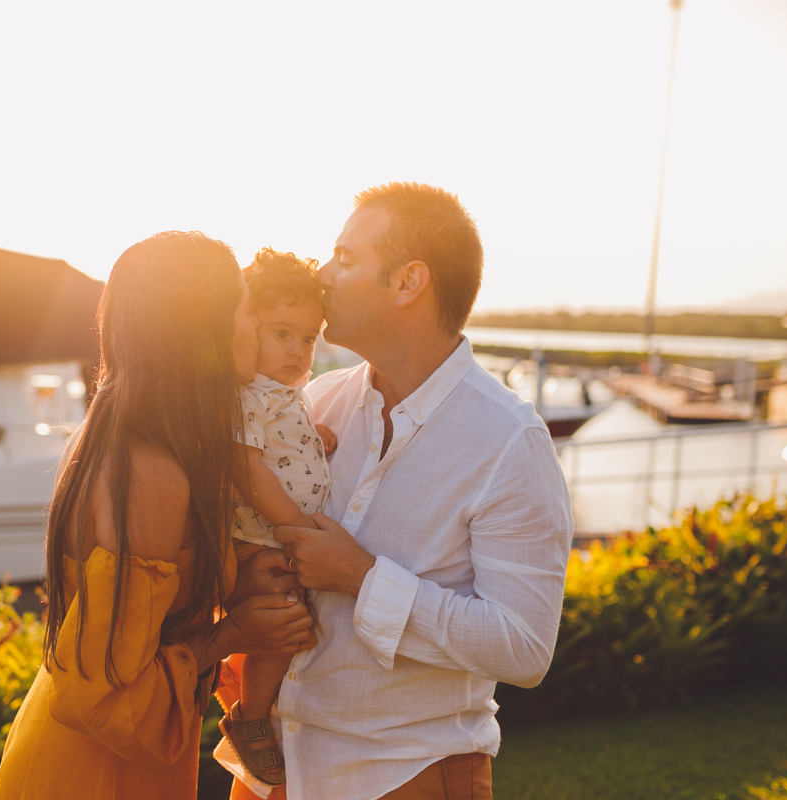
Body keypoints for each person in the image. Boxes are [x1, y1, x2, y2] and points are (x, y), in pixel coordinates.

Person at [232, 183, 574, 800]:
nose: (323, 273)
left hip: (405, 774)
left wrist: (362, 576)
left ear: (407, 282)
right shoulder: (315, 404)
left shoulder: (508, 442)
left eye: (345, 256)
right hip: (274, 774)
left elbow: (524, 648)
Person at [0, 231, 316, 800]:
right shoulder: (153, 476)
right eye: (244, 308)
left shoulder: (117, 437)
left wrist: (239, 580)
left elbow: (142, 626)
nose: (254, 324)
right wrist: (232, 634)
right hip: (97, 771)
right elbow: (105, 693)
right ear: (204, 331)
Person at [217, 248, 333, 788]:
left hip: (279, 539)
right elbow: (248, 467)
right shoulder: (244, 396)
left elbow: (289, 445)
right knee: (277, 632)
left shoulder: (285, 393)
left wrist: (320, 439)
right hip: (262, 540)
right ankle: (250, 718)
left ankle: (263, 711)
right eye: (282, 333)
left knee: (286, 631)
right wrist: (295, 525)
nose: (297, 350)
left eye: (308, 338)